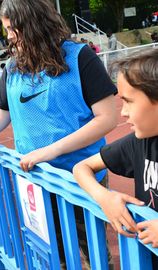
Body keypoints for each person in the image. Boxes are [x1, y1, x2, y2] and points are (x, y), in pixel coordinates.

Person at [0, 0, 117, 268]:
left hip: (83, 178)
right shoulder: (12, 67)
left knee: (95, 257)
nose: (7, 36)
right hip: (37, 181)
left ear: (31, 24)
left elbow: (107, 118)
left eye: (11, 28)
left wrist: (52, 150)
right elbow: (1, 115)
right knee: (55, 256)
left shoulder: (81, 57)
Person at [73, 49, 158, 268]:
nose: (123, 112)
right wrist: (105, 198)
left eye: (129, 101)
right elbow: (81, 168)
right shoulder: (139, 143)